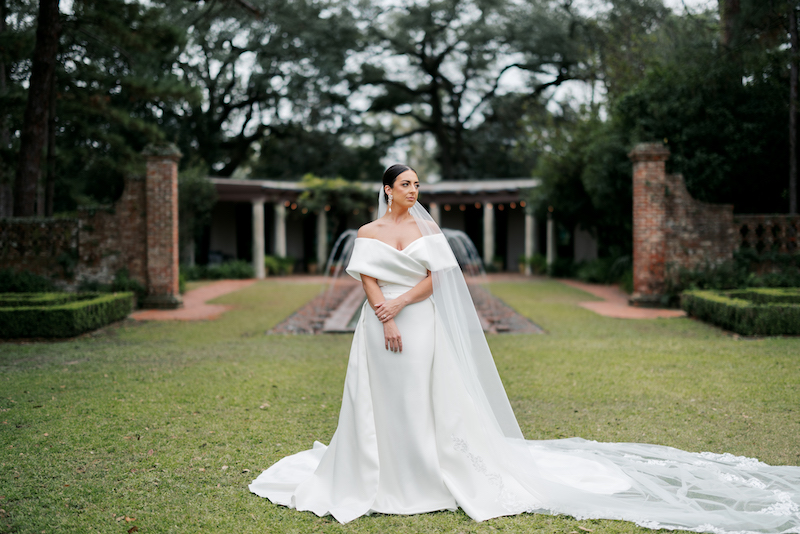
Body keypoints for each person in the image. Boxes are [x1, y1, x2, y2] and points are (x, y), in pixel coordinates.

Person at [250, 165, 800, 532]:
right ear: (388, 189)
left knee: (419, 394)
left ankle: (423, 474)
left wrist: (402, 310)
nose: (415, 191)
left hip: (418, 321)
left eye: (419, 184)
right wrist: (382, 314)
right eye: (407, 184)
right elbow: (367, 280)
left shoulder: (429, 230)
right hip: (380, 325)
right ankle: (375, 470)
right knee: (379, 396)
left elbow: (435, 281)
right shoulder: (368, 232)